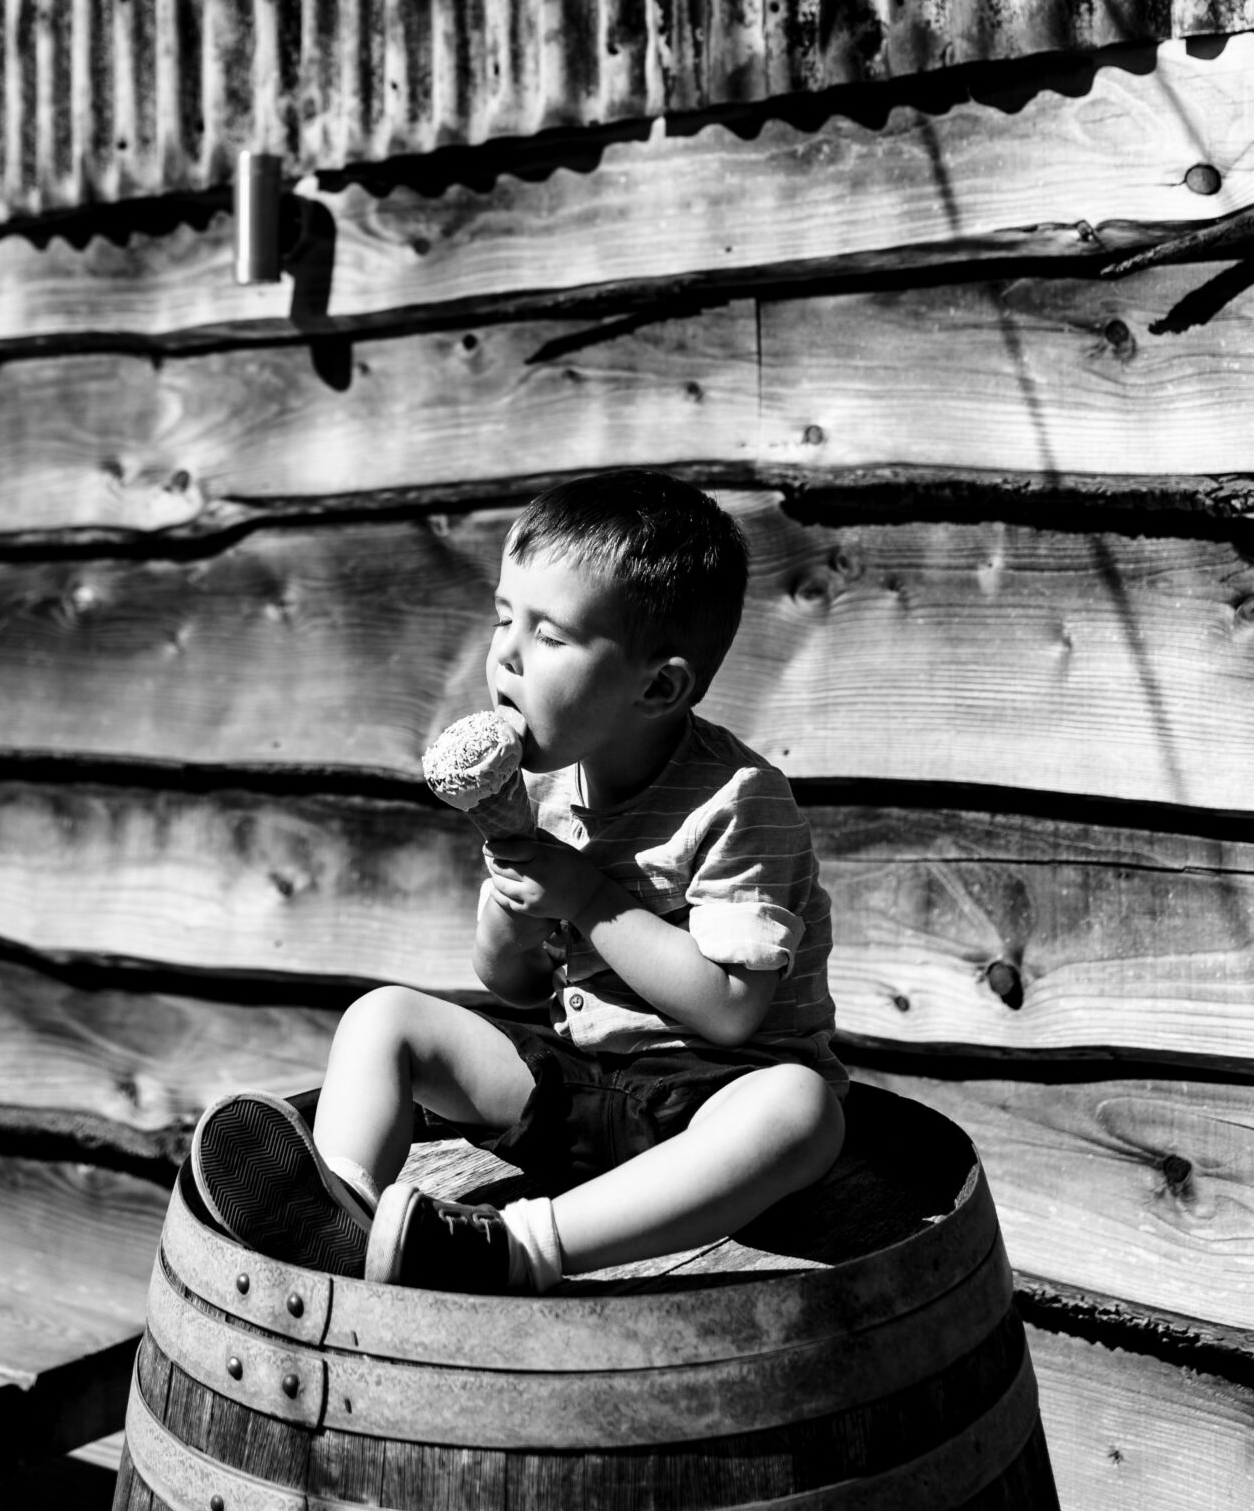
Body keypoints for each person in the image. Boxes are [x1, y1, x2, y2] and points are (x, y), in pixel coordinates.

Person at [189, 468, 847, 1293]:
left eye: (549, 635)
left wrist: (585, 898)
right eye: (504, 616)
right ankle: (340, 1211)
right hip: (576, 1083)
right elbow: (509, 980)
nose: (503, 652)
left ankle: (520, 1248)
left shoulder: (740, 801)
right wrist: (513, 905)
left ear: (658, 686)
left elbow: (729, 1008)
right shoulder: (537, 788)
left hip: (708, 1099)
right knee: (384, 1016)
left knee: (801, 1113)